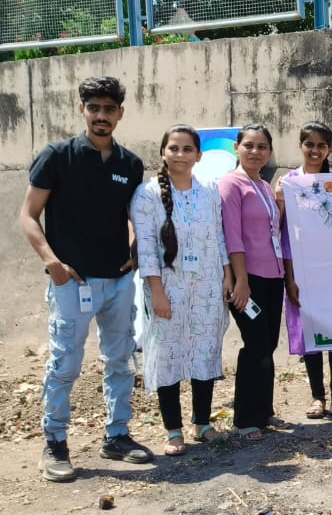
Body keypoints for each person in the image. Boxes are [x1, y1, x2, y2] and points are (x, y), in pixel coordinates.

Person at [20, 76, 151, 480]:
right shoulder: (57, 156)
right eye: (94, 108)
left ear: (120, 114)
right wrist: (52, 263)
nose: (101, 116)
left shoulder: (130, 164)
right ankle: (55, 443)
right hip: (72, 283)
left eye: (109, 109)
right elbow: (27, 215)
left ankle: (117, 435)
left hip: (117, 282)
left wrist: (133, 252)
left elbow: (134, 216)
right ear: (83, 110)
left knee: (120, 362)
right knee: (64, 364)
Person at [132, 125, 233, 455]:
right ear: (162, 152)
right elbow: (145, 246)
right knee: (169, 355)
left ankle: (202, 423)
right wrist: (156, 291)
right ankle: (173, 430)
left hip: (206, 283)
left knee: (205, 348)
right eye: (173, 148)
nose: (180, 154)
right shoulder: (147, 194)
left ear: (198, 155)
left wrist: (227, 274)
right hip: (167, 287)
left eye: (187, 149)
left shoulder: (209, 190)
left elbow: (219, 237)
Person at [279, 122, 332, 422]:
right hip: (302, 273)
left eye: (322, 145)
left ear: (329, 149)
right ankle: (318, 398)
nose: (315, 151)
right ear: (300, 146)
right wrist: (289, 277)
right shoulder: (287, 183)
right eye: (309, 144)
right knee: (310, 335)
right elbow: (283, 234)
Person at [219, 124, 285, 440]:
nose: (255, 151)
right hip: (250, 279)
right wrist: (240, 280)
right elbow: (233, 236)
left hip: (273, 277)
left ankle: (264, 411)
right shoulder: (231, 185)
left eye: (261, 146)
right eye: (249, 145)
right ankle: (245, 418)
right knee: (255, 343)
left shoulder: (264, 185)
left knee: (268, 345)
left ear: (269, 152)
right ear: (237, 148)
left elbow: (273, 229)